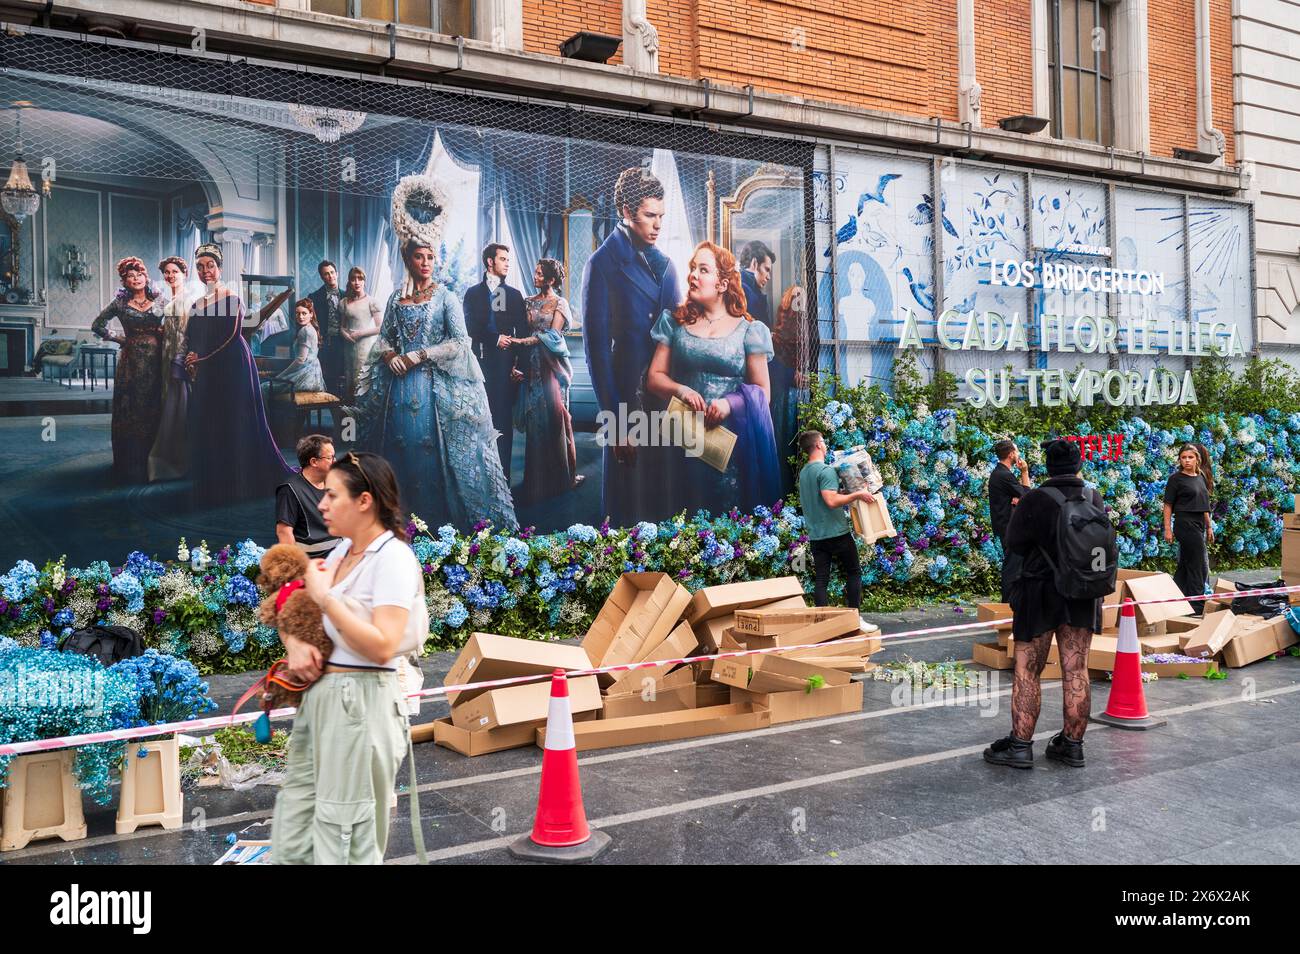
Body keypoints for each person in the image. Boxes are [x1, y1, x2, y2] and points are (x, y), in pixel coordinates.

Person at [272, 451, 422, 865]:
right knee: (298, 819)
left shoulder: (393, 559)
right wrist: (295, 643)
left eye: (332, 495)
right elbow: (290, 603)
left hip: (362, 701)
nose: (321, 504)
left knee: (345, 835)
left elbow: (382, 644)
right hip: (321, 699)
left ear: (364, 501)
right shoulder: (340, 553)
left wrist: (325, 599)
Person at [357, 232, 516, 531]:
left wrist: (420, 354)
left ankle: (436, 527)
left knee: (429, 453)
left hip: (431, 388)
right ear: (407, 259)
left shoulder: (446, 296)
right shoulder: (395, 297)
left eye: (430, 257)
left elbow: (460, 341)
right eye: (419, 256)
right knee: (398, 451)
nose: (426, 262)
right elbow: (385, 336)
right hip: (398, 388)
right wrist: (391, 354)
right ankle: (399, 526)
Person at [985, 439, 1101, 770]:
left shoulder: (1036, 498)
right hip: (1081, 592)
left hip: (1039, 592)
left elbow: (1014, 543)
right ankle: (1072, 745)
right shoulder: (1093, 497)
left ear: (1048, 467)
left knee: (1028, 670)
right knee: (1076, 669)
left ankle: (1020, 746)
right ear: (1079, 466)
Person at [646, 241, 781, 515]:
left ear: (722, 284)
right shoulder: (674, 322)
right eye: (693, 268)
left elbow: (762, 392)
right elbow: (654, 378)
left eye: (703, 270)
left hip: (729, 442)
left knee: (726, 515)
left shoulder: (750, 331)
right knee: (681, 516)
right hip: (681, 436)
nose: (693, 275)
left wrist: (729, 403)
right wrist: (681, 390)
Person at [581, 166, 681, 525]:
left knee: (664, 501)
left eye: (661, 217)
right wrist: (616, 424)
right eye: (649, 216)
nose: (657, 225)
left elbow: (678, 338)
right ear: (625, 211)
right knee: (628, 506)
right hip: (626, 399)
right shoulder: (602, 264)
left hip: (665, 397)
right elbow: (596, 352)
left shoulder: (666, 266)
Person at [183, 243, 292, 505]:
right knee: (211, 421)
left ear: (220, 268)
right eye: (200, 266)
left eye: (210, 266)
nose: (205, 271)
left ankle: (238, 482)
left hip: (232, 365)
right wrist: (190, 355)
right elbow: (192, 336)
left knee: (233, 420)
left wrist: (201, 358)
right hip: (207, 368)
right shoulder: (197, 303)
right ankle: (215, 480)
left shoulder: (232, 297)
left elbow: (230, 336)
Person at [505, 257, 582, 503]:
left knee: (554, 419)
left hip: (550, 367)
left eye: (540, 274)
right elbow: (519, 331)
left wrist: (521, 342)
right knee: (534, 421)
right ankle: (535, 481)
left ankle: (561, 479)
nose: (535, 276)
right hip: (530, 366)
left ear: (551, 279)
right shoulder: (526, 302)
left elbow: (552, 336)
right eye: (535, 272)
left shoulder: (560, 303)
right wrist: (515, 362)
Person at [90, 257, 165, 483]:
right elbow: (97, 325)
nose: (136, 279)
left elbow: (173, 322)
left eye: (139, 274)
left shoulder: (159, 299)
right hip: (131, 361)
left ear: (146, 277)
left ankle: (153, 459)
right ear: (124, 281)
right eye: (130, 276)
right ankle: (129, 461)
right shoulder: (119, 303)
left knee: (154, 403)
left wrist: (163, 332)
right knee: (131, 405)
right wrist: (118, 338)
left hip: (157, 360)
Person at [463, 243, 527, 481]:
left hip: (504, 366)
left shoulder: (514, 295)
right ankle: (481, 478)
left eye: (508, 259)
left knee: (502, 422)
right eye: (503, 259)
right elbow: (470, 328)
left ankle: (503, 479)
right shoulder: (472, 293)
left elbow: (522, 331)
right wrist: (495, 338)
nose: (507, 263)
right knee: (478, 421)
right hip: (477, 365)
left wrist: (519, 366)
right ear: (490, 262)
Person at [796, 430, 873, 608]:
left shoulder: (805, 472)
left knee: (822, 579)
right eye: (823, 441)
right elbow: (831, 501)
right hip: (836, 533)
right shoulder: (826, 470)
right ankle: (853, 617)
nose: (825, 444)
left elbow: (824, 496)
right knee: (854, 572)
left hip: (816, 536)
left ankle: (822, 621)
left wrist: (846, 493)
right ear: (817, 445)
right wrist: (858, 494)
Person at [148, 256, 195, 482]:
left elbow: (188, 332)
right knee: (168, 398)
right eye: (166, 272)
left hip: (179, 353)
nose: (170, 275)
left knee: (180, 402)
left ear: (184, 273)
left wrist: (182, 356)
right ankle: (170, 452)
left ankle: (180, 457)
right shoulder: (168, 299)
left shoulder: (188, 299)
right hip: (166, 353)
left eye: (174, 271)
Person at [1164, 443, 1213, 616]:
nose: (1186, 460)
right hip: (1185, 524)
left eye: (1190, 457)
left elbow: (1204, 505)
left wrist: (1208, 527)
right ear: (1179, 459)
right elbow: (1168, 505)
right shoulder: (1176, 479)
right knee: (1199, 565)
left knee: (1185, 565)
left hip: (1199, 524)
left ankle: (1176, 600)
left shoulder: (1200, 477)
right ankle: (1197, 606)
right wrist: (1167, 529)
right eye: (1183, 457)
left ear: (1197, 459)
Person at [276, 434, 340, 556]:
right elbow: (284, 532)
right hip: (311, 565)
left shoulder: (335, 484)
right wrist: (297, 568)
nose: (335, 461)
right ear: (314, 462)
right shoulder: (290, 489)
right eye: (331, 457)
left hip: (339, 561)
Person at [988, 438, 1031, 602]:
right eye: (1017, 451)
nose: (1019, 454)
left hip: (1006, 525)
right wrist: (1025, 472)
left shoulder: (1001, 473)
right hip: (1009, 527)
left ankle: (1012, 600)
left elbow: (1022, 498)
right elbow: (1028, 496)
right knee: (1012, 565)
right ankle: (1007, 603)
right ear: (1011, 454)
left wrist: (1018, 499)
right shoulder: (1004, 475)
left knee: (1014, 563)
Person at [262, 298, 326, 399]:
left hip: (306, 378)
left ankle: (267, 415)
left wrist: (280, 376)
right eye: (297, 313)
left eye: (304, 313)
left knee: (264, 388)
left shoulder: (305, 331)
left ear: (311, 314)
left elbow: (300, 360)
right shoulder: (310, 329)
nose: (300, 317)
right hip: (313, 376)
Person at [340, 266, 382, 402]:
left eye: (360, 278)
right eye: (353, 279)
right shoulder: (344, 302)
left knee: (361, 379)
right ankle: (350, 416)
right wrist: (344, 334)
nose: (357, 282)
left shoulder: (372, 301)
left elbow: (380, 327)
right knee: (349, 379)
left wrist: (360, 333)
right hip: (348, 347)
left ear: (364, 281)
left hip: (364, 346)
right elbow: (343, 326)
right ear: (349, 282)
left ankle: (361, 415)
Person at [308, 260, 345, 396]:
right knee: (329, 381)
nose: (330, 276)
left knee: (346, 379)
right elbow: (310, 322)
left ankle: (344, 412)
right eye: (326, 274)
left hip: (344, 342)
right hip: (325, 343)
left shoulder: (347, 295)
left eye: (332, 273)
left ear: (337, 273)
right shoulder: (314, 297)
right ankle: (332, 412)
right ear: (322, 277)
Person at [737, 239, 774, 328]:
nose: (768, 277)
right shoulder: (744, 290)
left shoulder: (740, 286)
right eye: (766, 269)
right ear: (754, 263)